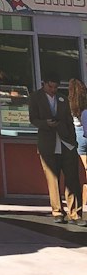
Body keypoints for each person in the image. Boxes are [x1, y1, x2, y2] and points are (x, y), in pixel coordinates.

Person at [28, 75, 81, 223]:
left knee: (72, 178)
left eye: (55, 87)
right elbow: (33, 119)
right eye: (50, 87)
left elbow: (69, 121)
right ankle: (57, 211)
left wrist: (73, 140)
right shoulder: (35, 98)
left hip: (66, 142)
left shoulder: (62, 98)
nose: (53, 90)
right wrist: (45, 123)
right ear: (44, 84)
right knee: (53, 177)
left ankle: (75, 213)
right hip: (48, 142)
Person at [69, 77, 87, 228]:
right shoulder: (85, 105)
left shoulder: (70, 104)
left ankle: (81, 204)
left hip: (77, 136)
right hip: (85, 133)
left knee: (79, 174)